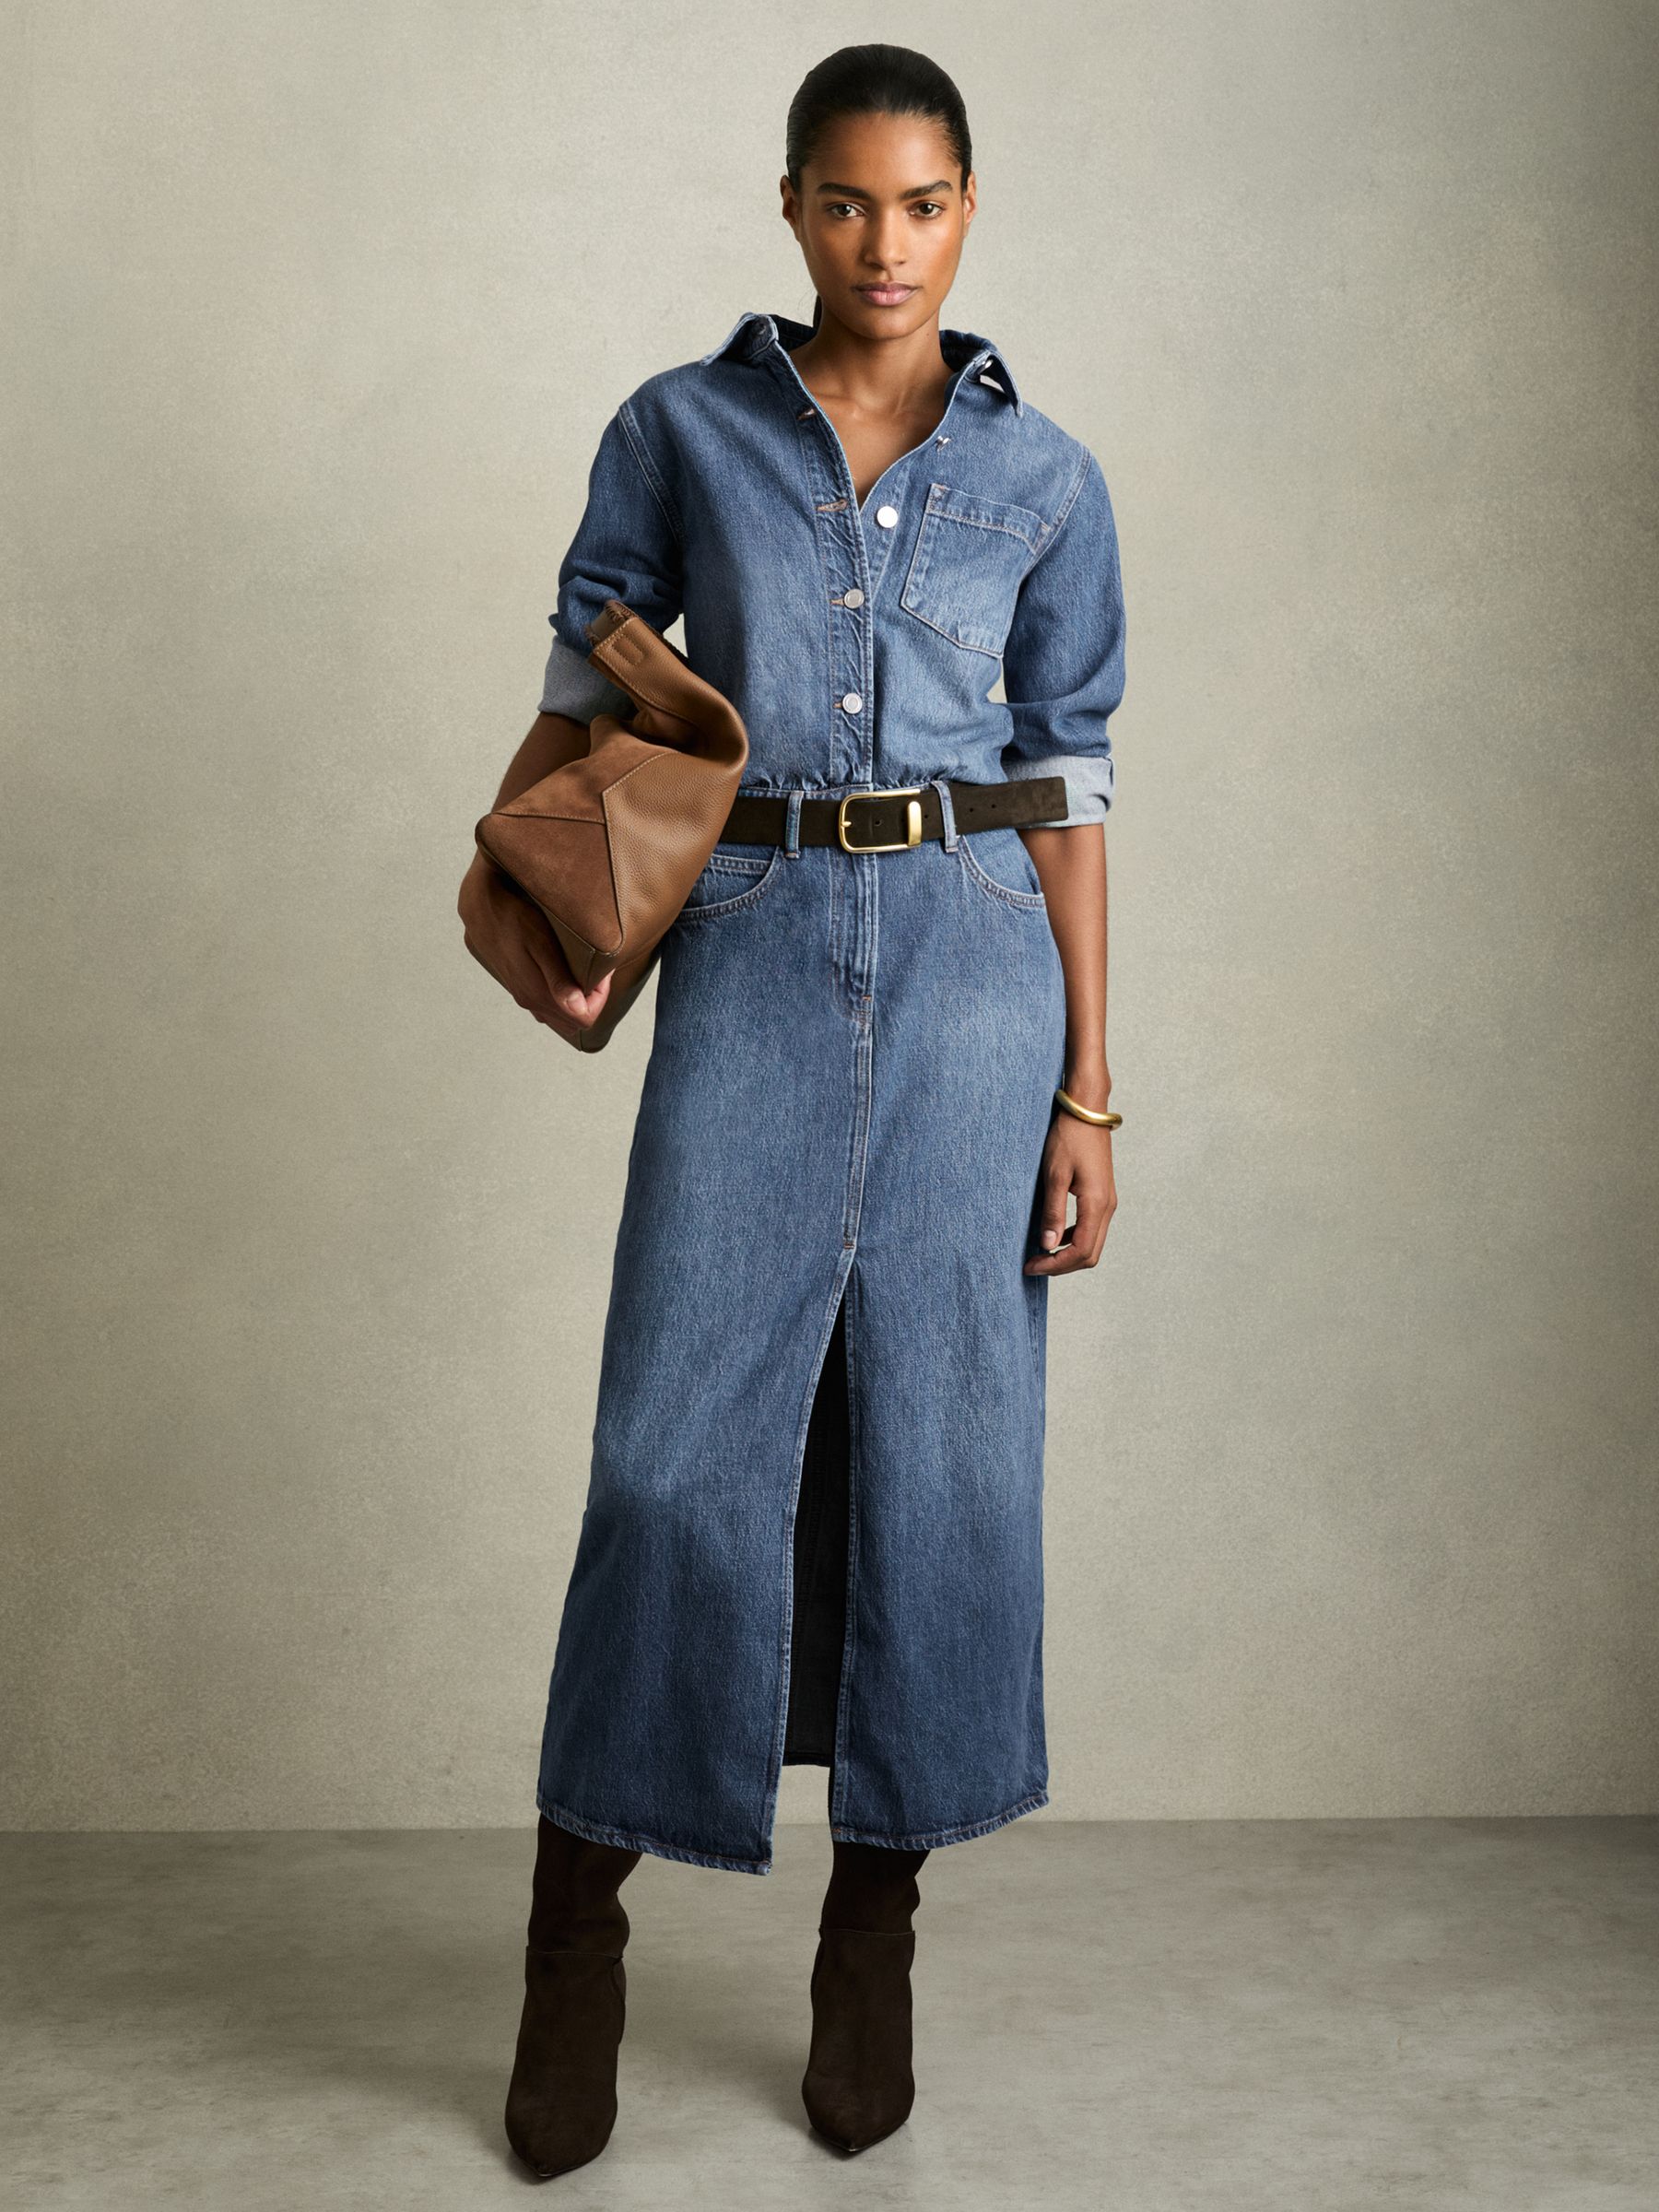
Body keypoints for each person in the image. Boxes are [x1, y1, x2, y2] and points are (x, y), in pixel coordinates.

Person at [456, 42, 1126, 2183]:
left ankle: (872, 1935)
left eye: (922, 203)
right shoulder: (684, 428)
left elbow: (1069, 789)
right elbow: (588, 684)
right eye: (848, 201)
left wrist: (1091, 1086)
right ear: (790, 206)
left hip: (973, 986)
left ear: (968, 208)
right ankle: (576, 1935)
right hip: (747, 950)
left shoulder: (1048, 478)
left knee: (934, 1455)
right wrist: (545, 896)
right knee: (674, 1454)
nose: (885, 243)